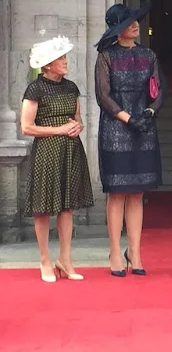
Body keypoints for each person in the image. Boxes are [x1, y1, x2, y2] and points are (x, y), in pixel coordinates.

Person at [94, 3, 165, 277]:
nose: (135, 25)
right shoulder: (106, 56)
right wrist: (126, 117)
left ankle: (134, 251)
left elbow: (158, 89)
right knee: (117, 193)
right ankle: (114, 250)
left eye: (136, 21)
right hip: (116, 128)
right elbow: (103, 95)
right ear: (117, 30)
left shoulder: (149, 55)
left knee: (137, 192)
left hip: (144, 127)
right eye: (129, 23)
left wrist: (149, 112)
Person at [21, 36, 94, 282]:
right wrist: (59, 130)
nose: (65, 61)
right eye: (60, 58)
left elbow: (77, 118)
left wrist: (77, 127)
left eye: (64, 57)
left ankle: (65, 259)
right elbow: (27, 127)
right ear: (48, 64)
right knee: (42, 208)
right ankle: (44, 260)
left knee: (67, 206)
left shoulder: (71, 86)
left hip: (71, 150)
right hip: (46, 152)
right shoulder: (35, 88)